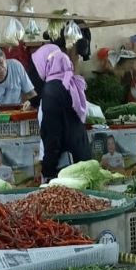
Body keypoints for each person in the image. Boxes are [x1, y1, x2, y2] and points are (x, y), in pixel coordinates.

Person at [30, 44, 92, 181]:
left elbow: (53, 135)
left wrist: (48, 169)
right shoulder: (69, 83)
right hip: (80, 156)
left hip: (66, 167)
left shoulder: (51, 90)